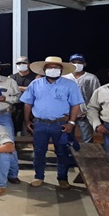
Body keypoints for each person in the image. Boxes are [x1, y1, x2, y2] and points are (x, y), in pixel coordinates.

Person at [20, 56, 83, 189]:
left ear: (61, 70)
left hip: (60, 124)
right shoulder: (35, 84)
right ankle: (38, 176)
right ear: (44, 70)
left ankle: (62, 178)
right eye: (49, 67)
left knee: (62, 152)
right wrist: (27, 121)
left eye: (56, 67)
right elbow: (27, 103)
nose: (52, 70)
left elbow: (75, 105)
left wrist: (71, 123)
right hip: (40, 124)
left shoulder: (69, 84)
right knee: (39, 152)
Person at [62, 53, 100, 143]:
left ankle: (86, 157)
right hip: (67, 115)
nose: (77, 64)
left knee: (87, 140)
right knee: (67, 139)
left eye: (80, 62)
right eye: (74, 62)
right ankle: (69, 156)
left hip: (85, 115)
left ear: (84, 64)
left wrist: (90, 112)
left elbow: (96, 96)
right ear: (69, 63)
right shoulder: (64, 78)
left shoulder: (91, 78)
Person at [10, 56, 36, 136]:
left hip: (32, 107)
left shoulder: (36, 77)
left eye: (24, 63)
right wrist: (26, 88)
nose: (21, 65)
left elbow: (36, 89)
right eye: (19, 63)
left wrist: (18, 87)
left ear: (29, 64)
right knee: (14, 129)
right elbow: (9, 90)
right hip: (16, 106)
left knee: (31, 129)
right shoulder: (11, 77)